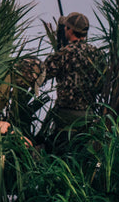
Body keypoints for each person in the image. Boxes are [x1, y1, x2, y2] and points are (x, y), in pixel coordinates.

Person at [43, 11, 105, 147]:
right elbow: (102, 85)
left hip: (66, 116)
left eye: (66, 27)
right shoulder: (97, 54)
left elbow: (43, 75)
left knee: (59, 152)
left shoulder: (65, 53)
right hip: (88, 115)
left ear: (70, 30)